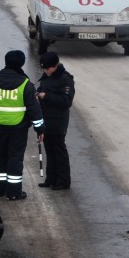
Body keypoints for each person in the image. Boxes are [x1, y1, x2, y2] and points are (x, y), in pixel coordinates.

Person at [0, 50, 44, 201]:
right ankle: (13, 192)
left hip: (0, 125)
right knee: (15, 157)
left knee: (1, 155)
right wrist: (40, 129)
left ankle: (0, 189)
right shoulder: (26, 84)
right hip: (18, 127)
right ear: (21, 63)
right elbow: (35, 110)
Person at [36, 52, 74, 190]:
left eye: (49, 69)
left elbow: (66, 101)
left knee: (59, 150)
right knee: (49, 150)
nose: (47, 71)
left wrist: (46, 96)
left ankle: (63, 181)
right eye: (45, 69)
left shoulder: (65, 79)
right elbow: (41, 90)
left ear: (55, 65)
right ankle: (51, 178)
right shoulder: (46, 77)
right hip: (46, 119)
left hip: (58, 121)